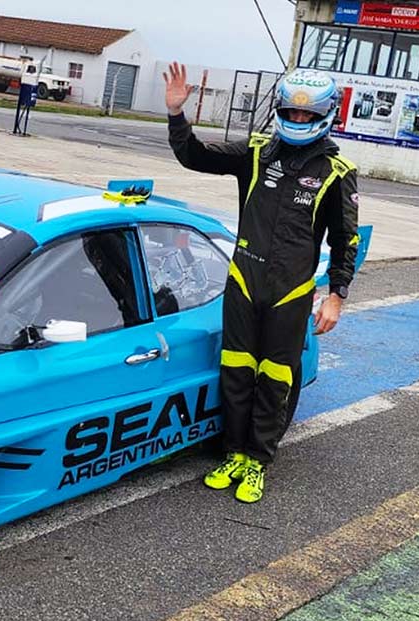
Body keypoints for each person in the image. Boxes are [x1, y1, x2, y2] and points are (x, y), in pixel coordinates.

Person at [164, 63, 359, 504]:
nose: (300, 121)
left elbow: (345, 239)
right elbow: (194, 155)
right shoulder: (255, 152)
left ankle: (257, 461)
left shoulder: (336, 170)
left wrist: (337, 296)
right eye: (292, 112)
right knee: (235, 371)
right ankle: (232, 453)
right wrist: (177, 115)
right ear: (279, 110)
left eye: (309, 116)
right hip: (244, 281)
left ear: (327, 114)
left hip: (290, 292)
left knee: (274, 379)